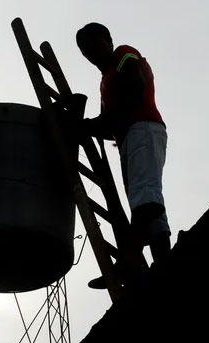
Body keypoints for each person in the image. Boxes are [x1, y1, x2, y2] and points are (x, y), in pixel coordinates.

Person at [76, 22, 171, 289]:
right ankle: (164, 260)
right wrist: (89, 127)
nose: (89, 51)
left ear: (108, 40)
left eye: (94, 43)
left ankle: (129, 261)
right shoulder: (105, 81)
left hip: (143, 128)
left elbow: (134, 86)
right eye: (84, 49)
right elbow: (109, 124)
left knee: (145, 198)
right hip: (129, 138)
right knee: (146, 200)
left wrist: (95, 124)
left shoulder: (123, 55)